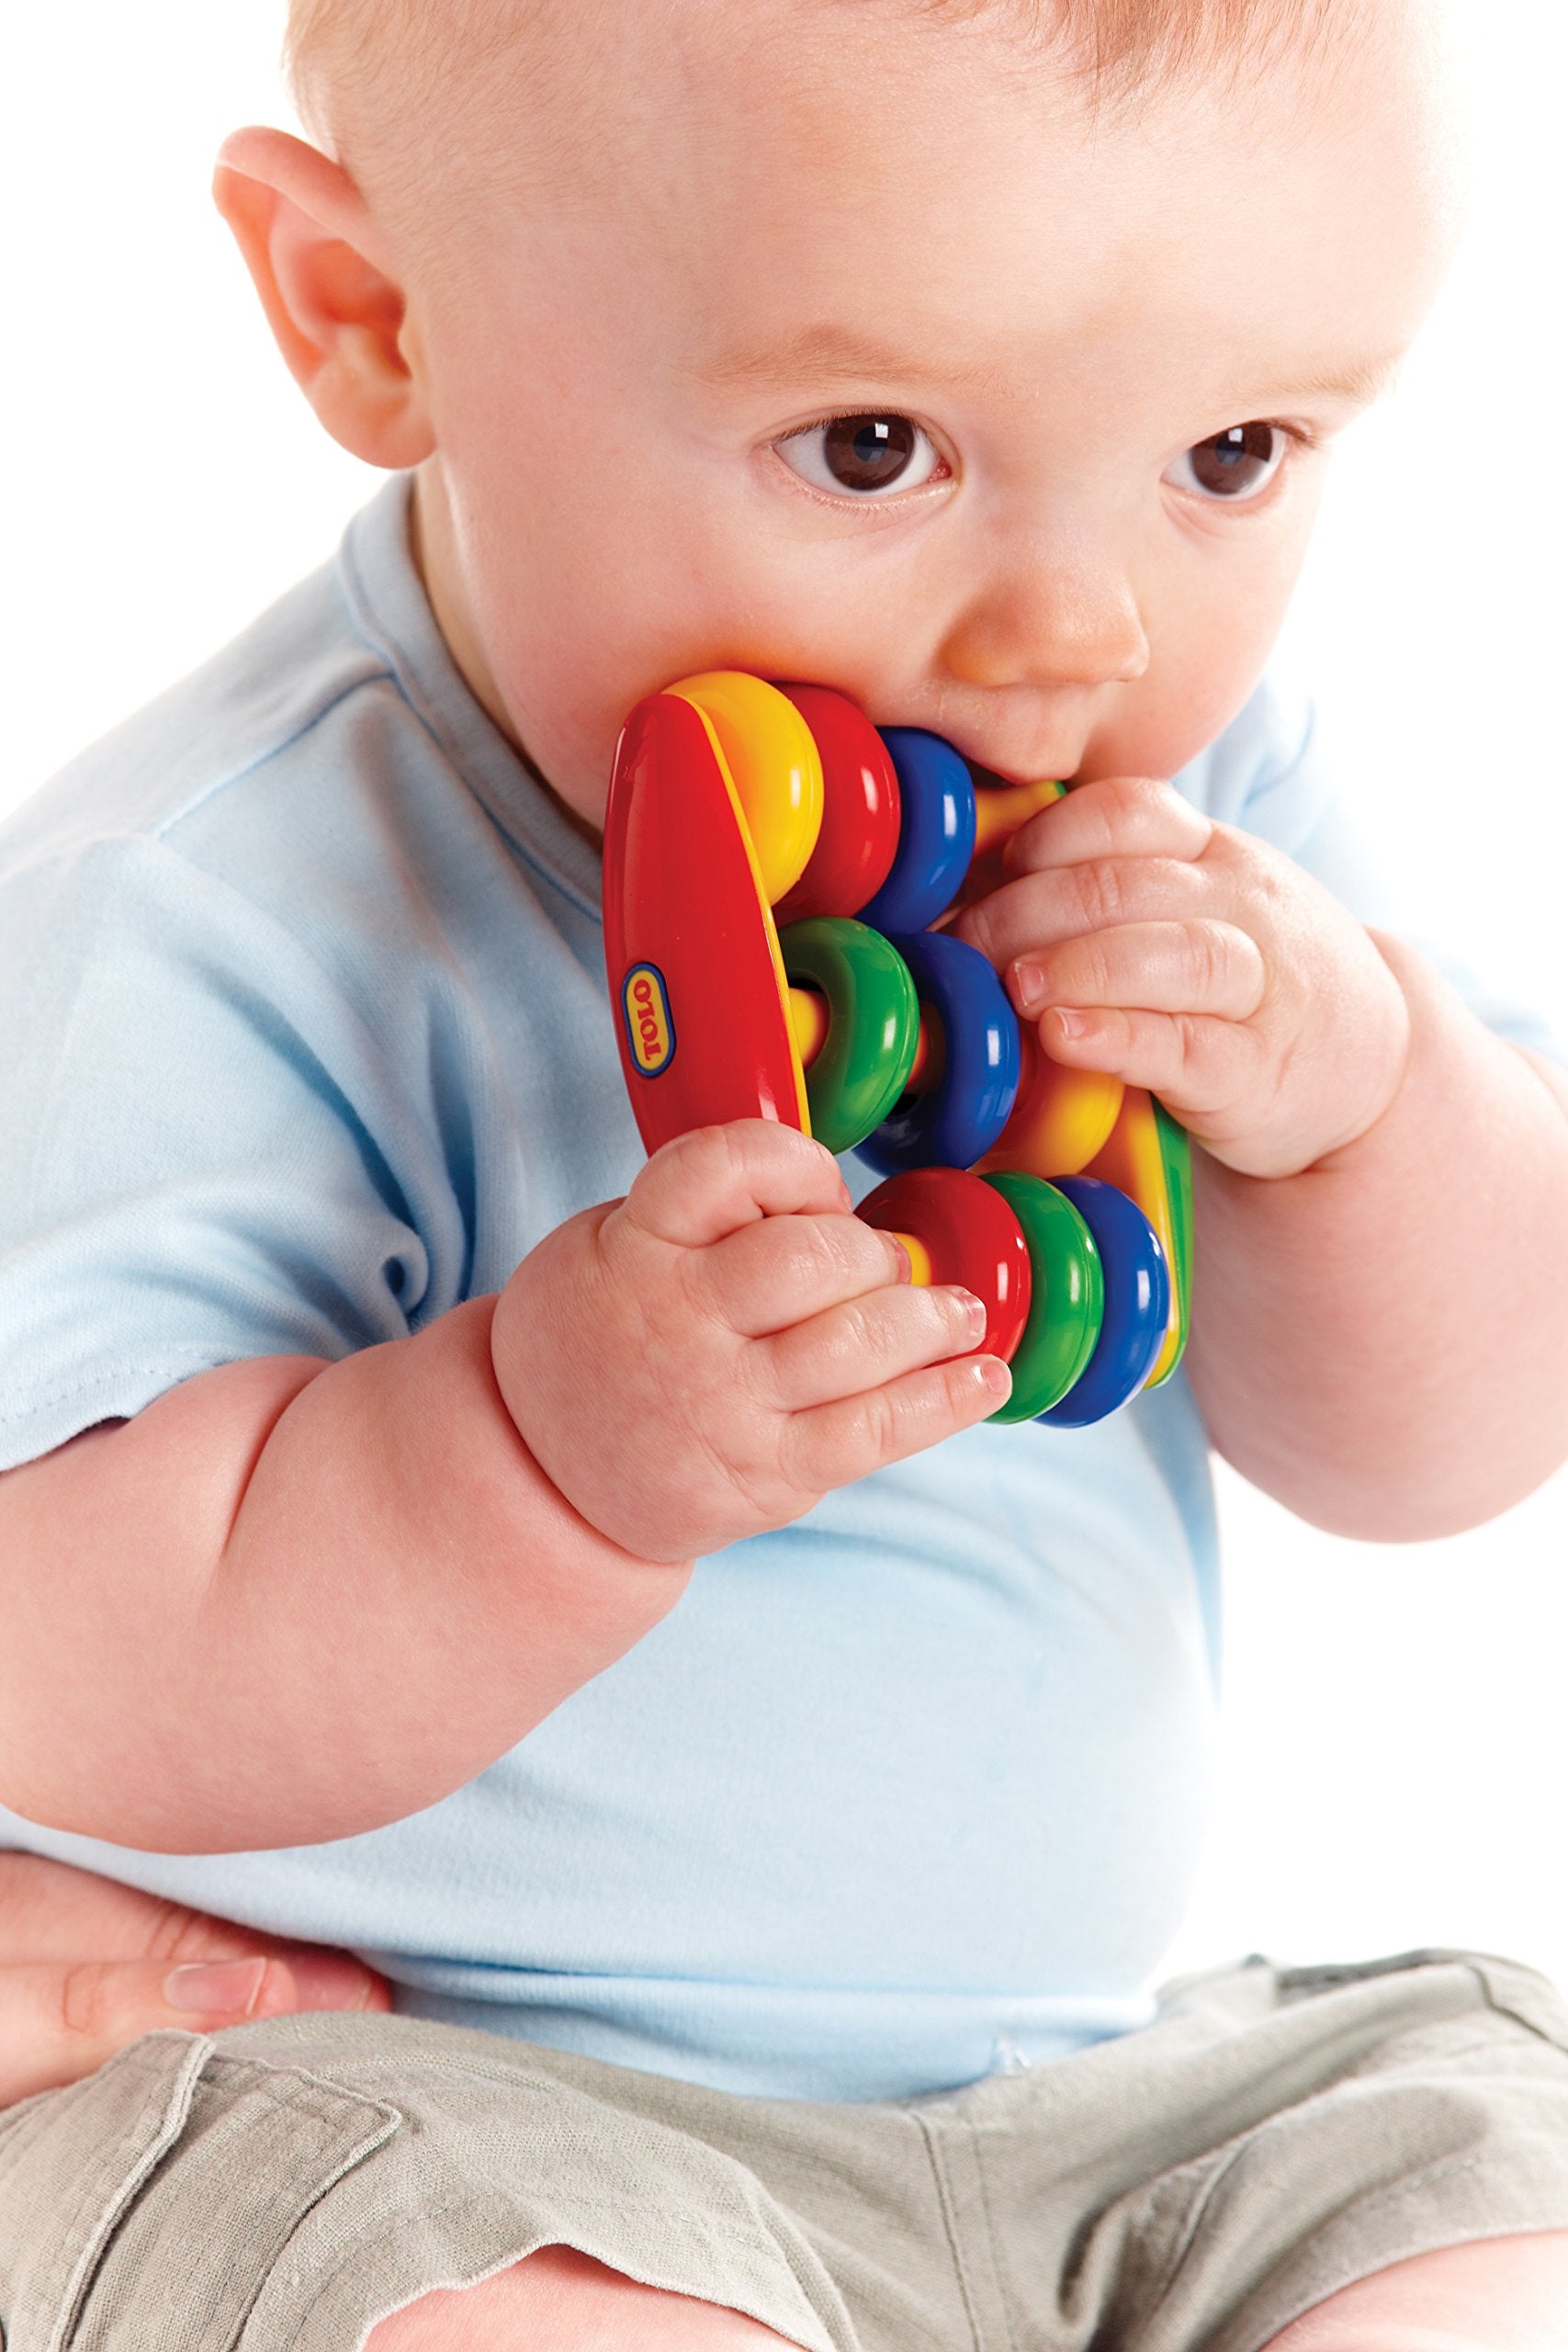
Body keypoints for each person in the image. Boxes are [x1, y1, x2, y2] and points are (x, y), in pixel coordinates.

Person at [3, 0, 1568, 2342]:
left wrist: (1346, 1098)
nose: (1077, 629)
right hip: (451, 2111)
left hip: (1091, 2102)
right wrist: (535, 1459)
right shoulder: (225, 901)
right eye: (871, 445)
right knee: (386, 2265)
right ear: (372, 317)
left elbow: (1447, 1436)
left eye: (1226, 452)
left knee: (1472, 2150)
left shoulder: (1215, 813)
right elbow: (56, 1647)